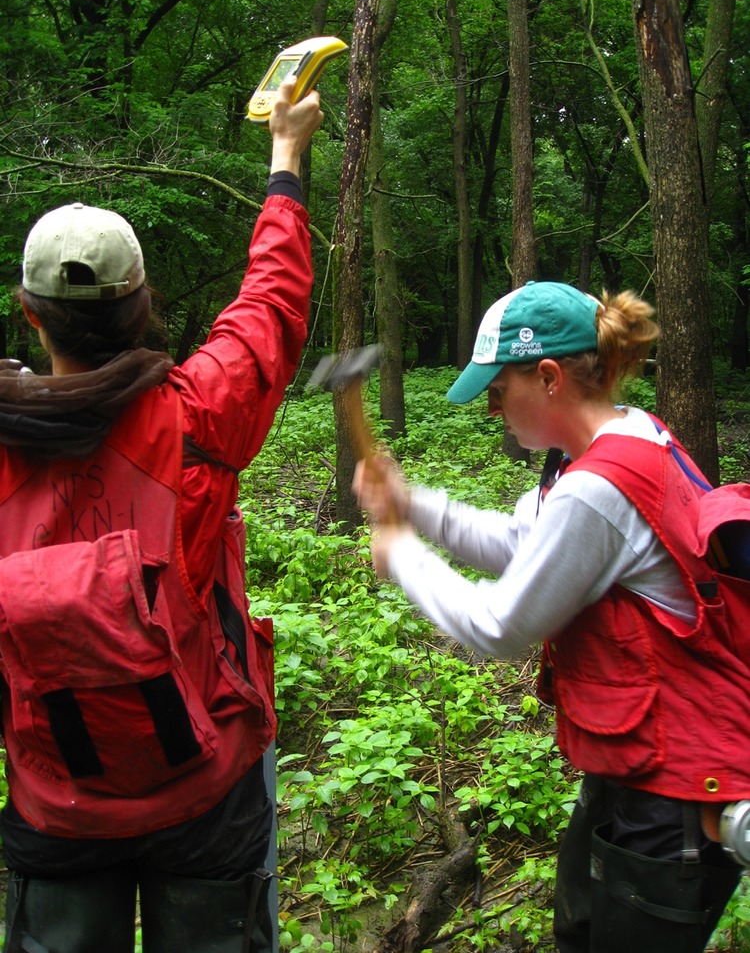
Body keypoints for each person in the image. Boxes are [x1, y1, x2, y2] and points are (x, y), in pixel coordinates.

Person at [0, 77, 323, 953]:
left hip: (54, 795)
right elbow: (272, 306)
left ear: (31, 317)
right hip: (206, 782)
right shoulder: (198, 414)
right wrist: (285, 162)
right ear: (141, 306)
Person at [353, 280, 749, 953]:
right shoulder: (622, 442)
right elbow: (520, 547)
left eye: (498, 391)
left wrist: (404, 556)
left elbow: (500, 627)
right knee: (578, 929)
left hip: (683, 791)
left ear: (548, 376)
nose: (492, 411)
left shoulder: (599, 488)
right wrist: (410, 503)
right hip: (636, 771)